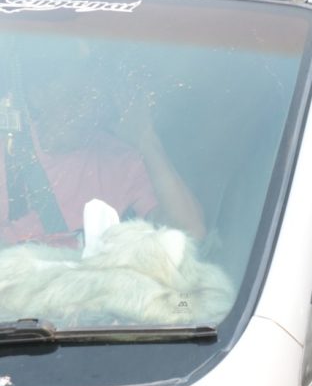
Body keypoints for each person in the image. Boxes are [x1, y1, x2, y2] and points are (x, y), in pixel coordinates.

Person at [0, 48, 206, 247]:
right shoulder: (9, 148)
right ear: (38, 96)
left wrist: (147, 141)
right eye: (74, 98)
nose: (85, 111)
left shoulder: (120, 161)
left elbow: (191, 233)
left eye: (93, 101)